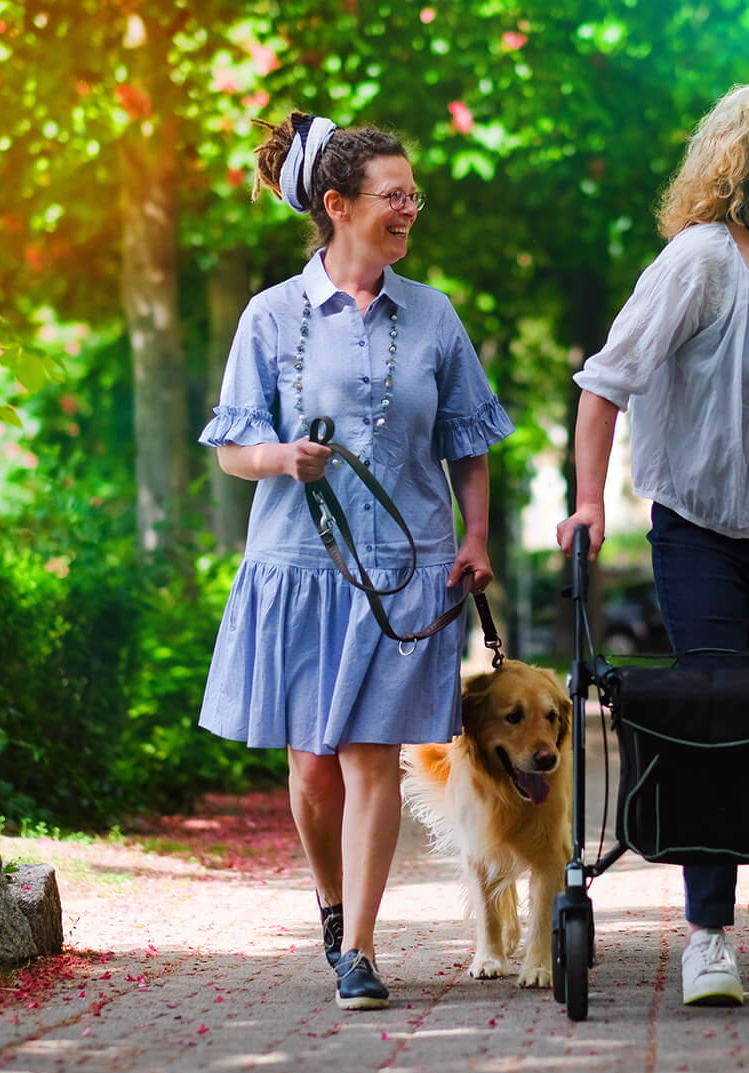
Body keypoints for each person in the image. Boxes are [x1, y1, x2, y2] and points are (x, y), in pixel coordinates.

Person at [553, 80, 749, 1007]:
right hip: (699, 532)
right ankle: (706, 932)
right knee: (714, 715)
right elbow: (607, 382)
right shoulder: (698, 262)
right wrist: (589, 502)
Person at [197, 112, 513, 1010]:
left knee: (374, 755)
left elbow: (469, 439)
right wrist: (277, 458)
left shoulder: (435, 315)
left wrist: (475, 535)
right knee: (313, 766)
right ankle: (334, 907)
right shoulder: (270, 317)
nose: (409, 209)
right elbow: (230, 445)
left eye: (414, 194)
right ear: (337, 206)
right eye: (393, 195)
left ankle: (362, 951)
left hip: (406, 567)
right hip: (299, 564)